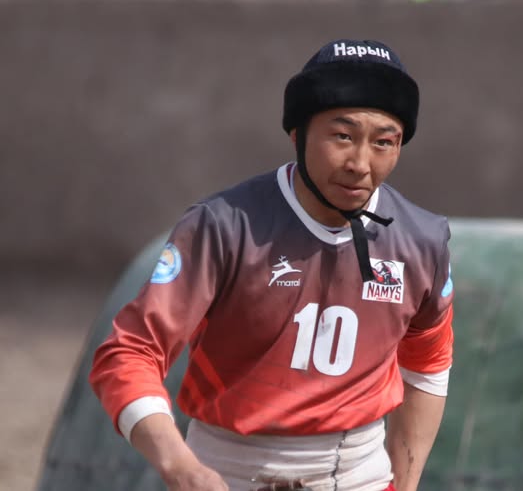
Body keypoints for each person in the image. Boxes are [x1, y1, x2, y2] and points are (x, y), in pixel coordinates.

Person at [89, 38, 455, 491]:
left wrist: (406, 484)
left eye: (384, 142)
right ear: (298, 135)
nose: (360, 163)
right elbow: (129, 354)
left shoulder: (422, 240)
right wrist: (181, 466)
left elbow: (428, 363)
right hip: (225, 478)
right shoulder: (223, 226)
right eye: (342, 136)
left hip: (363, 478)